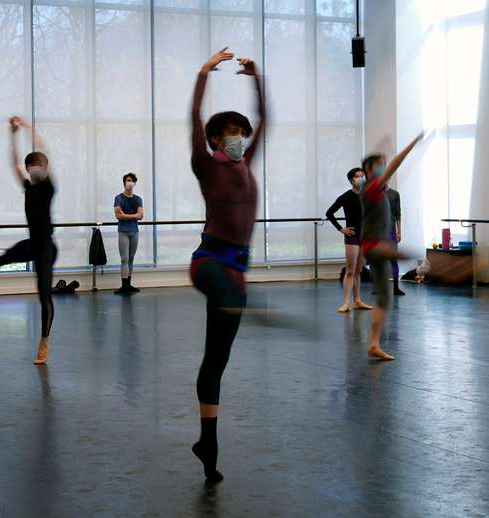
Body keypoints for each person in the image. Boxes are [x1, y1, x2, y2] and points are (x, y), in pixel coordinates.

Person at [189, 47, 265, 483]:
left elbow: (266, 119)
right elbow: (193, 116)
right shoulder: (207, 165)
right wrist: (204, 71)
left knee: (215, 361)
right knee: (227, 299)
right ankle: (255, 311)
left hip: (236, 273)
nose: (238, 137)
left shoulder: (246, 164)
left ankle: (208, 442)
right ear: (216, 138)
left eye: (242, 131)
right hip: (209, 263)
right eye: (231, 132)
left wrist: (255, 78)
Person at [0, 116, 57, 365]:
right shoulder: (28, 186)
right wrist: (12, 135)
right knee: (5, 257)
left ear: (44, 168)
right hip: (32, 244)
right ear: (30, 170)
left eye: (41, 165)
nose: (38, 168)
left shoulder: (48, 187)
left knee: (44, 295)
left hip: (47, 247)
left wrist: (26, 127)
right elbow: (14, 163)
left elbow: (43, 149)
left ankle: (44, 341)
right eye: (34, 166)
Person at [360, 133, 423, 361]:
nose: (384, 170)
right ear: (369, 171)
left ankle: (373, 344)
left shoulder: (383, 192)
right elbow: (397, 163)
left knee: (384, 299)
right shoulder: (371, 188)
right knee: (412, 253)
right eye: (379, 167)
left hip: (379, 248)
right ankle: (422, 263)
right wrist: (412, 144)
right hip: (374, 246)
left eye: (384, 167)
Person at [325, 168, 372, 313]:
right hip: (352, 236)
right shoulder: (345, 197)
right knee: (350, 270)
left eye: (362, 176)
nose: (361, 178)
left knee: (359, 270)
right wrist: (341, 228)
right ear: (352, 180)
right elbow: (329, 213)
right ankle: (346, 302)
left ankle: (357, 300)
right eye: (358, 176)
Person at [113, 173, 143, 295]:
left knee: (131, 258)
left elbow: (141, 216)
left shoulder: (138, 199)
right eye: (128, 180)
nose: (130, 182)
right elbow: (118, 216)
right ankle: (124, 285)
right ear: (124, 182)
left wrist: (125, 215)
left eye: (132, 180)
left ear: (135, 183)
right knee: (124, 258)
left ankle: (129, 285)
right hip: (123, 232)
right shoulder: (118, 198)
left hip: (134, 231)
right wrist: (133, 216)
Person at [386, 185, 405, 296]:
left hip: (390, 231)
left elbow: (398, 214)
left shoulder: (394, 194)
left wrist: (399, 231)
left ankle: (396, 288)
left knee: (393, 259)